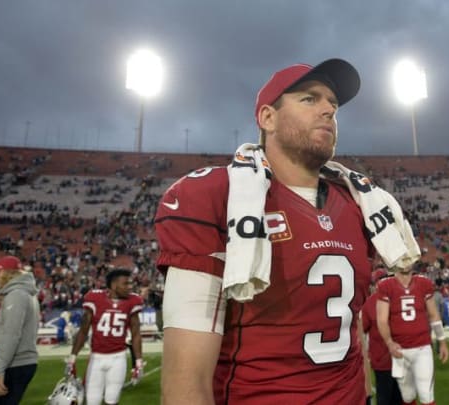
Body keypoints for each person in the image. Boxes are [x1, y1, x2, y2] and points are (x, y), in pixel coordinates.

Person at [155, 58, 419, 404]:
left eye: (332, 104)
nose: (328, 110)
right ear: (268, 118)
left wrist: (365, 387)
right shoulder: (217, 195)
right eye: (309, 99)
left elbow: (351, 319)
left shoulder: (361, 204)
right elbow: (186, 380)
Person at [66, 269, 144, 405]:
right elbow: (83, 331)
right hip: (96, 358)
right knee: (92, 401)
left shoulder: (133, 301)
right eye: (125, 284)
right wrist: (72, 359)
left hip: (118, 358)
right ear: (113, 285)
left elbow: (136, 333)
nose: (129, 287)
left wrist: (138, 363)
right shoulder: (95, 299)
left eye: (130, 283)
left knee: (111, 400)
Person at [376, 267, 449, 405]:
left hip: (422, 348)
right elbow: (381, 319)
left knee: (426, 396)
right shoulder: (385, 285)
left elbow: (434, 314)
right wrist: (389, 343)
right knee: (407, 397)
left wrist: (442, 341)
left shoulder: (424, 283)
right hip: (400, 351)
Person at [0, 255, 39, 405]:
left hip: (15, 363)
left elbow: (11, 335)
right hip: (20, 362)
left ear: (5, 273)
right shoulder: (25, 293)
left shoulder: (16, 295)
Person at [361, 268, 403, 405]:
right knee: (400, 397)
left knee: (385, 398)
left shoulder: (371, 302)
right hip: (400, 358)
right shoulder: (400, 297)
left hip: (383, 360)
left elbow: (362, 331)